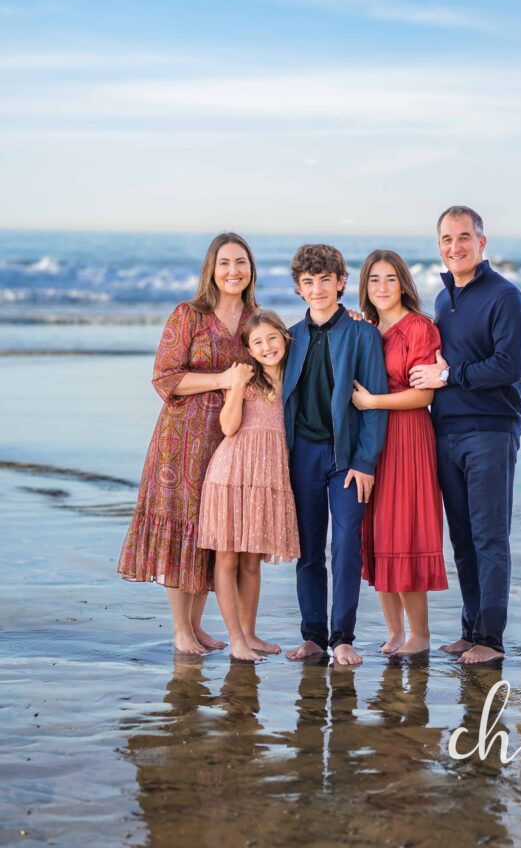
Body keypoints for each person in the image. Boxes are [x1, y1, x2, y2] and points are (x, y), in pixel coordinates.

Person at [118, 232, 258, 655]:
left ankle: (198, 627)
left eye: (241, 263)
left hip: (230, 438)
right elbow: (164, 377)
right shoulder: (189, 315)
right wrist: (222, 379)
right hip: (181, 439)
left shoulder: (257, 319)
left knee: (209, 533)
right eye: (225, 263)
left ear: (251, 269)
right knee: (182, 530)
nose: (233, 271)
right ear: (211, 271)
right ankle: (181, 630)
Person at [409, 207, 521, 665]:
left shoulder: (505, 297)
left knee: (489, 538)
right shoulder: (443, 302)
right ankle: (470, 629)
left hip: (490, 432)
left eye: (463, 237)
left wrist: (450, 376)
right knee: (461, 538)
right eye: (446, 239)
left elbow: (508, 366)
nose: (454, 246)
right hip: (447, 432)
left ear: (482, 242)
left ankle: (491, 641)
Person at [283, 244, 388, 667]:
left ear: (342, 283)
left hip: (345, 457)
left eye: (325, 279)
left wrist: (365, 461)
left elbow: (374, 401)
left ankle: (342, 636)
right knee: (308, 547)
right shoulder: (292, 337)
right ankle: (312, 636)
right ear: (298, 288)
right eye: (308, 282)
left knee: (346, 544)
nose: (317, 289)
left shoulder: (363, 334)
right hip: (303, 453)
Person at [352, 250, 447, 655]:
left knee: (404, 532)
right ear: (364, 287)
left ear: (403, 283)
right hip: (373, 440)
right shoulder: (364, 328)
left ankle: (420, 636)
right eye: (374, 280)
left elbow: (423, 394)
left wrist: (374, 403)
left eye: (390, 278)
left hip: (408, 437)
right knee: (375, 533)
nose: (382, 287)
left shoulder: (420, 329)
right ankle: (394, 633)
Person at [198, 310, 300, 663]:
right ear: (249, 350)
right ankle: (236, 638)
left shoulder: (295, 376)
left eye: (272, 338)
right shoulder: (246, 380)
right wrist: (238, 384)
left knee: (252, 562)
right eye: (257, 342)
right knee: (226, 558)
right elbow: (228, 427)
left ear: (284, 338)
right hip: (232, 472)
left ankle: (251, 631)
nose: (267, 346)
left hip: (267, 476)